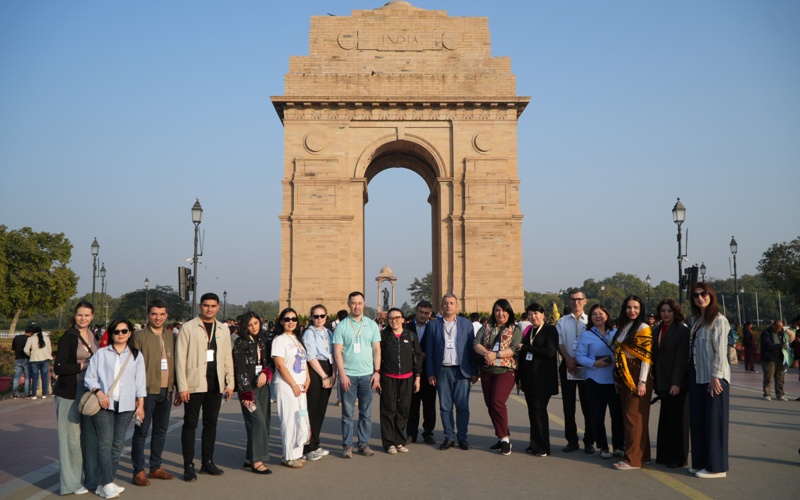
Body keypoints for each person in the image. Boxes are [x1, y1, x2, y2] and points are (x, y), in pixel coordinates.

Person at [175, 293, 234, 481]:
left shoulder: (223, 329)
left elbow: (227, 357)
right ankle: (188, 465)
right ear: (200, 306)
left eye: (213, 306)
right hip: (194, 383)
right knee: (190, 424)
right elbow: (180, 358)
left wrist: (230, 383)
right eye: (206, 305)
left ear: (218, 307)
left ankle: (207, 462)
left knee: (211, 424)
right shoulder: (188, 327)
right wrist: (182, 386)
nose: (209, 309)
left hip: (215, 384)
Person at [84, 319, 146, 499]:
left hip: (126, 406)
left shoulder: (136, 355)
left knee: (117, 445)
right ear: (111, 334)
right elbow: (90, 377)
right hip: (104, 405)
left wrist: (141, 405)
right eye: (116, 331)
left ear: (130, 333)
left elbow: (140, 382)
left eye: (124, 331)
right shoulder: (101, 354)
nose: (120, 334)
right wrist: (99, 393)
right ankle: (107, 483)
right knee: (105, 444)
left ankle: (106, 482)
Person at [53, 301, 99, 495]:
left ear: (92, 316)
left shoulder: (93, 335)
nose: (83, 318)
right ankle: (70, 484)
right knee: (70, 438)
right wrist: (84, 365)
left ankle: (89, 479)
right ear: (74, 315)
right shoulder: (69, 337)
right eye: (80, 315)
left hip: (88, 390)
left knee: (88, 437)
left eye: (87, 315)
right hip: (69, 392)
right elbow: (59, 368)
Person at [131, 299, 177, 486]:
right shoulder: (139, 336)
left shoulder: (171, 336)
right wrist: (137, 396)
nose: (158, 318)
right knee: (141, 431)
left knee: (160, 431)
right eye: (154, 314)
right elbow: (132, 366)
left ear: (167, 315)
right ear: (148, 315)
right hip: (146, 392)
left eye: (161, 314)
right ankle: (138, 470)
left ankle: (156, 466)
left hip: (166, 391)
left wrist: (176, 388)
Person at [688, 282, 731, 478]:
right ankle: (700, 462)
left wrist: (716, 376)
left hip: (714, 378)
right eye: (696, 295)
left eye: (704, 294)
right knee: (698, 422)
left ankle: (717, 467)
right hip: (698, 376)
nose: (700, 298)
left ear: (711, 295)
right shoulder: (697, 320)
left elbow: (720, 351)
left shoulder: (719, 320)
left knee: (714, 424)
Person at [425, 293, 478, 451]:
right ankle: (449, 437)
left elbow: (472, 349)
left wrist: (475, 371)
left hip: (462, 371)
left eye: (451, 303)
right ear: (441, 306)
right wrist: (430, 373)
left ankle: (462, 437)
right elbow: (430, 351)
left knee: (462, 407)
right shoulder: (433, 325)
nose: (448, 305)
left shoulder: (466, 324)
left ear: (457, 306)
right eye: (445, 303)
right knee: (445, 407)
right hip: (443, 371)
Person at [333, 292, 382, 458]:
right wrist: (342, 374)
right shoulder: (342, 326)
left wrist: (377, 372)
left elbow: (377, 349)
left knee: (366, 413)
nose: (357, 306)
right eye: (353, 303)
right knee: (347, 414)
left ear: (364, 304)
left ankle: (363, 443)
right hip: (349, 376)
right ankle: (347, 445)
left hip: (368, 375)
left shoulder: (372, 325)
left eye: (359, 303)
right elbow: (337, 352)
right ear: (348, 304)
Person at [473, 299, 522, 456]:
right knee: (490, 405)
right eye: (497, 310)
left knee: (497, 402)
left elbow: (514, 349)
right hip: (487, 369)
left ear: (509, 312)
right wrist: (487, 353)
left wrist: (496, 355)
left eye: (504, 310)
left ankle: (505, 439)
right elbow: (476, 343)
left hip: (506, 370)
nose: (501, 314)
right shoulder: (486, 327)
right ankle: (501, 438)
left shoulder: (515, 329)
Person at [576, 304, 623, 461]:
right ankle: (603, 446)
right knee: (597, 416)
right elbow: (580, 357)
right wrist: (595, 363)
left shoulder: (616, 333)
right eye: (594, 314)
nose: (597, 316)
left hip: (614, 381)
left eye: (600, 313)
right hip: (594, 380)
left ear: (607, 315)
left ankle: (618, 446)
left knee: (617, 415)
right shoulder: (586, 335)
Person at [611, 295, 653, 471]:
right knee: (634, 417)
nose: (632, 310)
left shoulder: (643, 328)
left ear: (641, 309)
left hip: (637, 374)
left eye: (636, 307)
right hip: (625, 374)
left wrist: (642, 381)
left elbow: (646, 359)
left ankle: (632, 460)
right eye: (629, 307)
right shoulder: (624, 326)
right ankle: (643, 455)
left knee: (632, 417)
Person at [515, 302, 559, 457]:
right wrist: (519, 377)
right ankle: (534, 444)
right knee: (532, 411)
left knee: (539, 411)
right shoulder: (528, 330)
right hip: (529, 378)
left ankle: (543, 447)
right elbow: (522, 356)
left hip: (543, 378)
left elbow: (549, 352)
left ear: (543, 315)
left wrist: (527, 348)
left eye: (536, 313)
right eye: (530, 314)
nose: (533, 317)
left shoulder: (550, 330)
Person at [233, 311, 274, 474]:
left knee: (264, 421)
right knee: (258, 422)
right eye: (250, 325)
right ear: (245, 326)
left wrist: (266, 372)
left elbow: (271, 362)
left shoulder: (264, 340)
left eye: (256, 323)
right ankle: (258, 461)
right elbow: (240, 369)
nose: (254, 327)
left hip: (263, 387)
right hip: (248, 389)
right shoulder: (240, 343)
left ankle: (250, 457)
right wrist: (246, 393)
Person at [555, 290, 595, 454]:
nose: (576, 302)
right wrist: (568, 359)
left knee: (588, 406)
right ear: (569, 301)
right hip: (568, 366)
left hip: (587, 367)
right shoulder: (562, 321)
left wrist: (579, 360)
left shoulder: (591, 321)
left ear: (585, 301)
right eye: (572, 299)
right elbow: (559, 343)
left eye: (579, 299)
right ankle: (571, 440)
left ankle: (589, 441)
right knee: (568, 406)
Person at [652, 299, 690, 468]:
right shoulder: (657, 329)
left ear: (675, 313)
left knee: (678, 422)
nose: (666, 314)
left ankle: (678, 458)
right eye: (663, 311)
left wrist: (676, 383)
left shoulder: (682, 330)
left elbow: (682, 358)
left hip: (677, 382)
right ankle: (664, 456)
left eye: (669, 311)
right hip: (662, 380)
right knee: (665, 420)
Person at [379, 307, 422, 454]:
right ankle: (388, 443)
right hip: (388, 378)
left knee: (403, 410)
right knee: (388, 410)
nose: (394, 320)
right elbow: (377, 357)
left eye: (397, 317)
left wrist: (417, 377)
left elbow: (417, 357)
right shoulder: (383, 336)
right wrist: (377, 375)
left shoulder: (411, 336)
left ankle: (399, 440)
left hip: (407, 378)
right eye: (391, 318)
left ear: (403, 319)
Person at [272, 307, 310, 468]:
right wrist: (293, 384)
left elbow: (303, 360)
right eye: (287, 319)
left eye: (294, 319)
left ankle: (297, 453)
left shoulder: (296, 339)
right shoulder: (279, 340)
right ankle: (288, 456)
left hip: (300, 385)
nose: (291, 322)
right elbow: (279, 365)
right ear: (281, 321)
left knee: (300, 418)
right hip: (286, 385)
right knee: (289, 421)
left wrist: (307, 378)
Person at [302, 304, 335, 461]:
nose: (319, 319)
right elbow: (310, 357)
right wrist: (324, 376)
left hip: (328, 367)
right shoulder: (309, 333)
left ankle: (315, 444)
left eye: (322, 316)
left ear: (326, 316)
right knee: (312, 410)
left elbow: (333, 353)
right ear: (311, 317)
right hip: (316, 370)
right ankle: (307, 447)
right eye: (316, 316)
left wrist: (333, 374)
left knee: (321, 409)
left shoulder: (329, 332)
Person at [406, 300, 436, 444]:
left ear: (430, 314)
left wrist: (427, 355)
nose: (423, 315)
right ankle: (411, 433)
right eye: (421, 312)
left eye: (426, 313)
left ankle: (428, 432)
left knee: (429, 405)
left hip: (428, 372)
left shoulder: (434, 328)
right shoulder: (407, 328)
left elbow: (438, 348)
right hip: (411, 372)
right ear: (416, 311)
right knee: (412, 404)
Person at [760, 319, 788, 401]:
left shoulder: (781, 333)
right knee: (768, 377)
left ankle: (780, 394)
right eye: (778, 328)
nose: (780, 330)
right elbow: (767, 344)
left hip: (779, 358)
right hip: (769, 358)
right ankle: (767, 394)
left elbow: (784, 341)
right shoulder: (766, 332)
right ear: (774, 326)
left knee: (780, 377)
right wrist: (779, 346)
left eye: (781, 328)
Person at [24, 326, 52, 399]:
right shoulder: (46, 338)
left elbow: (25, 350)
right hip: (45, 359)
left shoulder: (30, 339)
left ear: (33, 332)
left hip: (34, 359)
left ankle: (34, 395)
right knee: (44, 377)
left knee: (35, 377)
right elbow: (49, 349)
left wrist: (30, 355)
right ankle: (44, 394)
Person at [11, 326, 33, 399]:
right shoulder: (29, 339)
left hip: (18, 358)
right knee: (27, 377)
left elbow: (13, 348)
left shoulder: (17, 338)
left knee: (17, 377)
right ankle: (27, 394)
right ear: (31, 332)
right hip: (27, 359)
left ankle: (15, 394)